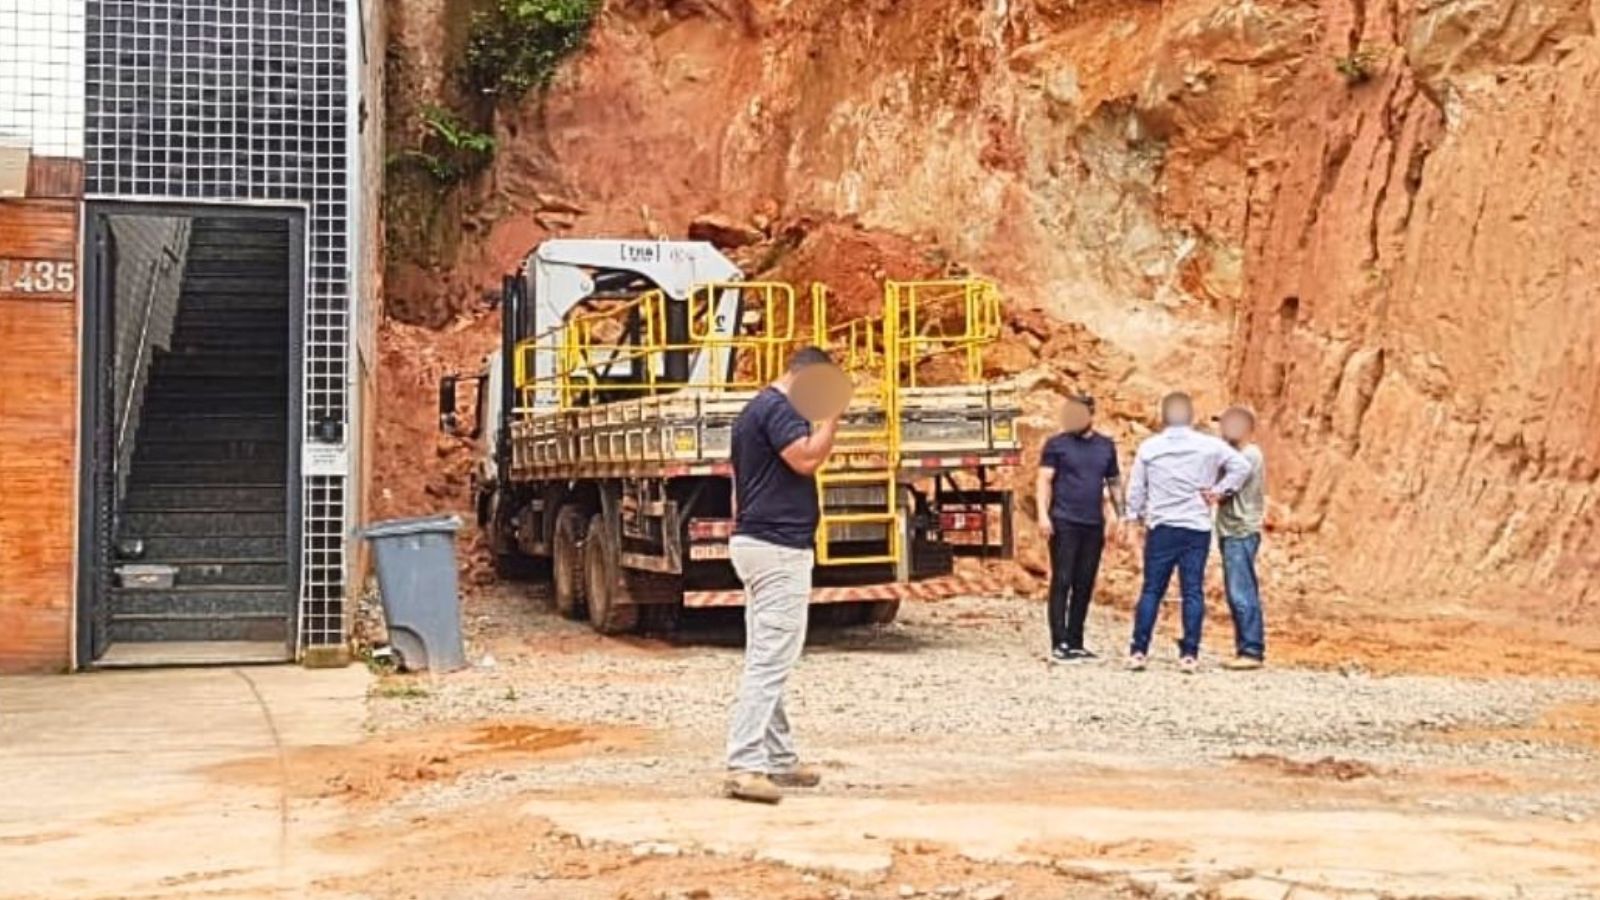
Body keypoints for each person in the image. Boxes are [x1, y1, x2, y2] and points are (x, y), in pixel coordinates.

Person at [724, 346, 842, 804]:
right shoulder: (780, 409)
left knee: (767, 654)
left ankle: (778, 758)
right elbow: (806, 459)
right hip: (778, 549)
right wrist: (831, 420)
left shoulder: (755, 410)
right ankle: (744, 764)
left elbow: (739, 486)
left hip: (758, 542)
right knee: (770, 661)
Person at [1123, 392, 1251, 673]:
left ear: (1163, 415)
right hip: (1196, 527)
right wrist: (1218, 491)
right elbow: (1242, 467)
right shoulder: (1209, 445)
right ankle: (1189, 655)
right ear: (1191, 416)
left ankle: (1138, 651)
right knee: (1192, 591)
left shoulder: (1150, 447)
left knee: (1152, 590)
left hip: (1162, 527)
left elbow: (1136, 489)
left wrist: (1133, 520)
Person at [1035, 393, 1123, 662]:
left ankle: (1076, 641)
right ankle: (1059, 642)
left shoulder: (1105, 446)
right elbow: (1044, 480)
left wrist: (1122, 515)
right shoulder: (1056, 445)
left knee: (1084, 583)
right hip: (1064, 521)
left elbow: (1114, 482)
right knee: (1062, 580)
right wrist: (1043, 515)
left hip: (1093, 523)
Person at [1215, 405, 1267, 670]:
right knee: (1238, 589)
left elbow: (1224, 490)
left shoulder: (1248, 455)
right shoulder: (1238, 455)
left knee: (1241, 591)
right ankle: (1245, 647)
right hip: (1232, 530)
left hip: (1240, 530)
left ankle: (1251, 650)